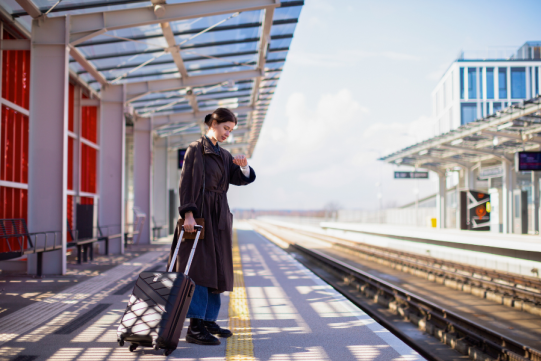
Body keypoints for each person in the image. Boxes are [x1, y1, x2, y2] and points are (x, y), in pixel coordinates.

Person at [166, 107, 256, 346]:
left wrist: (244, 166)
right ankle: (195, 325)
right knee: (199, 269)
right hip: (201, 216)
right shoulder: (196, 149)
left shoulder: (224, 155)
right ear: (213, 123)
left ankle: (208, 320)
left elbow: (240, 178)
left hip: (219, 217)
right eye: (226, 128)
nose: (228, 133)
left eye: (231, 130)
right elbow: (186, 182)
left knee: (217, 268)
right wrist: (188, 214)